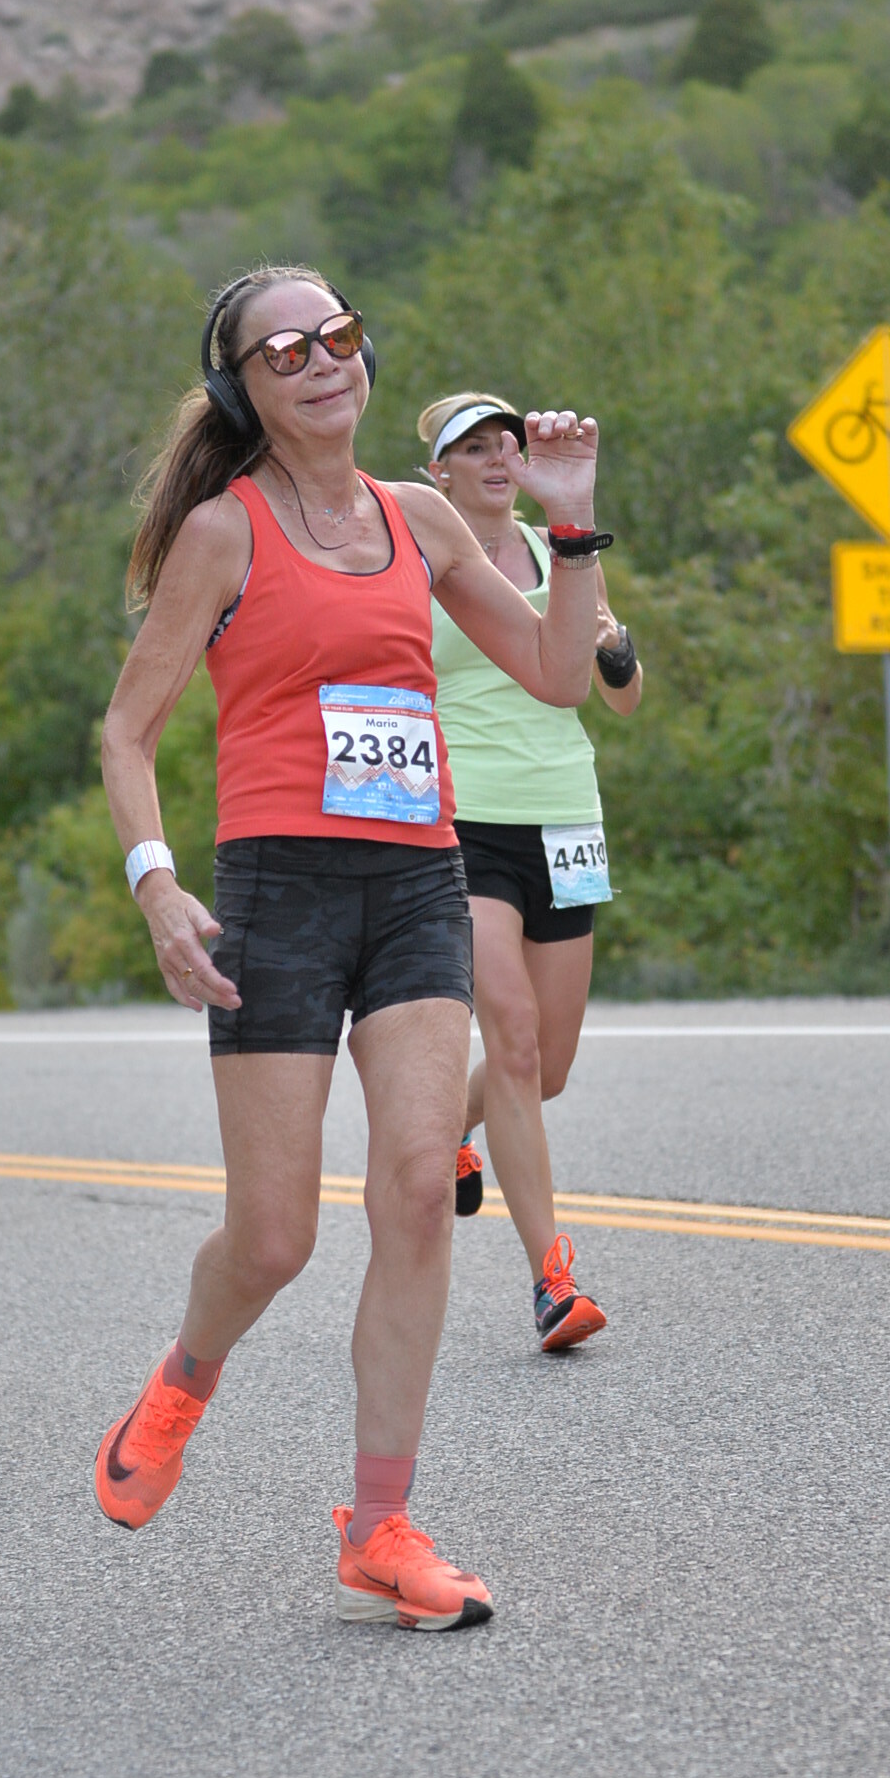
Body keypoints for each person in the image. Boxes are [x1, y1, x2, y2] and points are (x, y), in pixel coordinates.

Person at [96, 267, 606, 1629]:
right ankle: (185, 1377)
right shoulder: (224, 532)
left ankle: (380, 1525)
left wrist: (571, 526)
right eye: (285, 350)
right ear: (243, 388)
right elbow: (128, 733)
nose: (323, 361)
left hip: (418, 887)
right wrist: (158, 888)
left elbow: (558, 675)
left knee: (417, 1193)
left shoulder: (422, 519)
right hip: (280, 894)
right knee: (273, 1239)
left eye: (339, 335)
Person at [418, 394, 642, 1349]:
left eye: (504, 442)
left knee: (546, 1066)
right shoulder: (422, 562)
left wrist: (616, 649)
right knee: (509, 1035)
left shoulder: (563, 554)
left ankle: (450, 1130)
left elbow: (622, 700)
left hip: (566, 815)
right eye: (471, 448)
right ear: (439, 474)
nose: (496, 459)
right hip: (466, 820)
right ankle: (552, 1280)